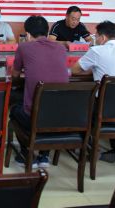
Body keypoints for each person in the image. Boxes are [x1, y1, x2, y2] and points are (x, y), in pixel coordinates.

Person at [71, 20, 115, 163]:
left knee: (81, 104)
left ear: (102, 37)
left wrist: (94, 70)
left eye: (96, 36)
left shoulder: (97, 50)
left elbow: (75, 70)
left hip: (106, 110)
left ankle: (89, 148)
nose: (95, 39)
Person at [11, 15, 69, 168]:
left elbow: (15, 75)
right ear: (47, 32)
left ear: (28, 34)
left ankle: (26, 154)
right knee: (49, 103)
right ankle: (44, 155)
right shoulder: (61, 48)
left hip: (34, 117)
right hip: (62, 116)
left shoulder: (24, 47)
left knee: (14, 110)